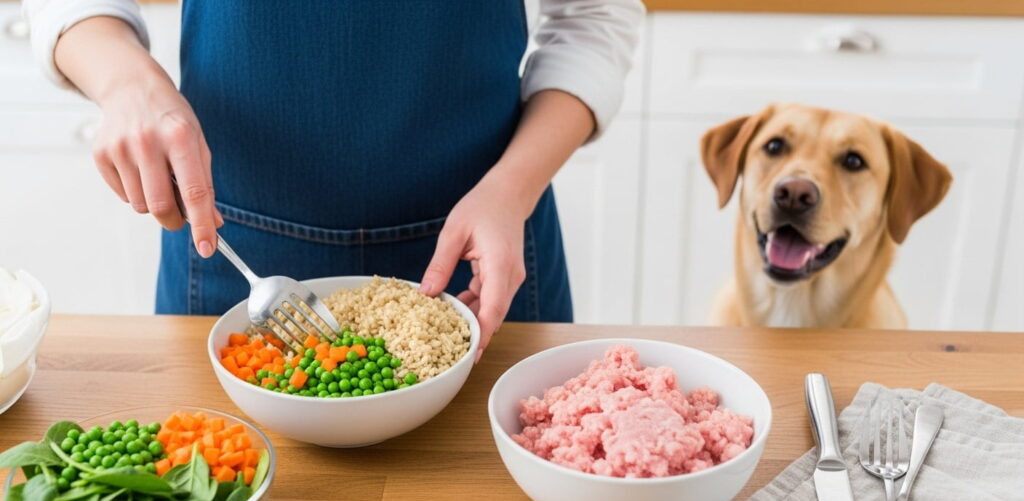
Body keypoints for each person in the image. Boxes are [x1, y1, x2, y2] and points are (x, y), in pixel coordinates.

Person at [22, 1, 643, 357]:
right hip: (235, 243)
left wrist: (512, 189)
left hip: (486, 242)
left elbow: (594, 16)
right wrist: (122, 77)